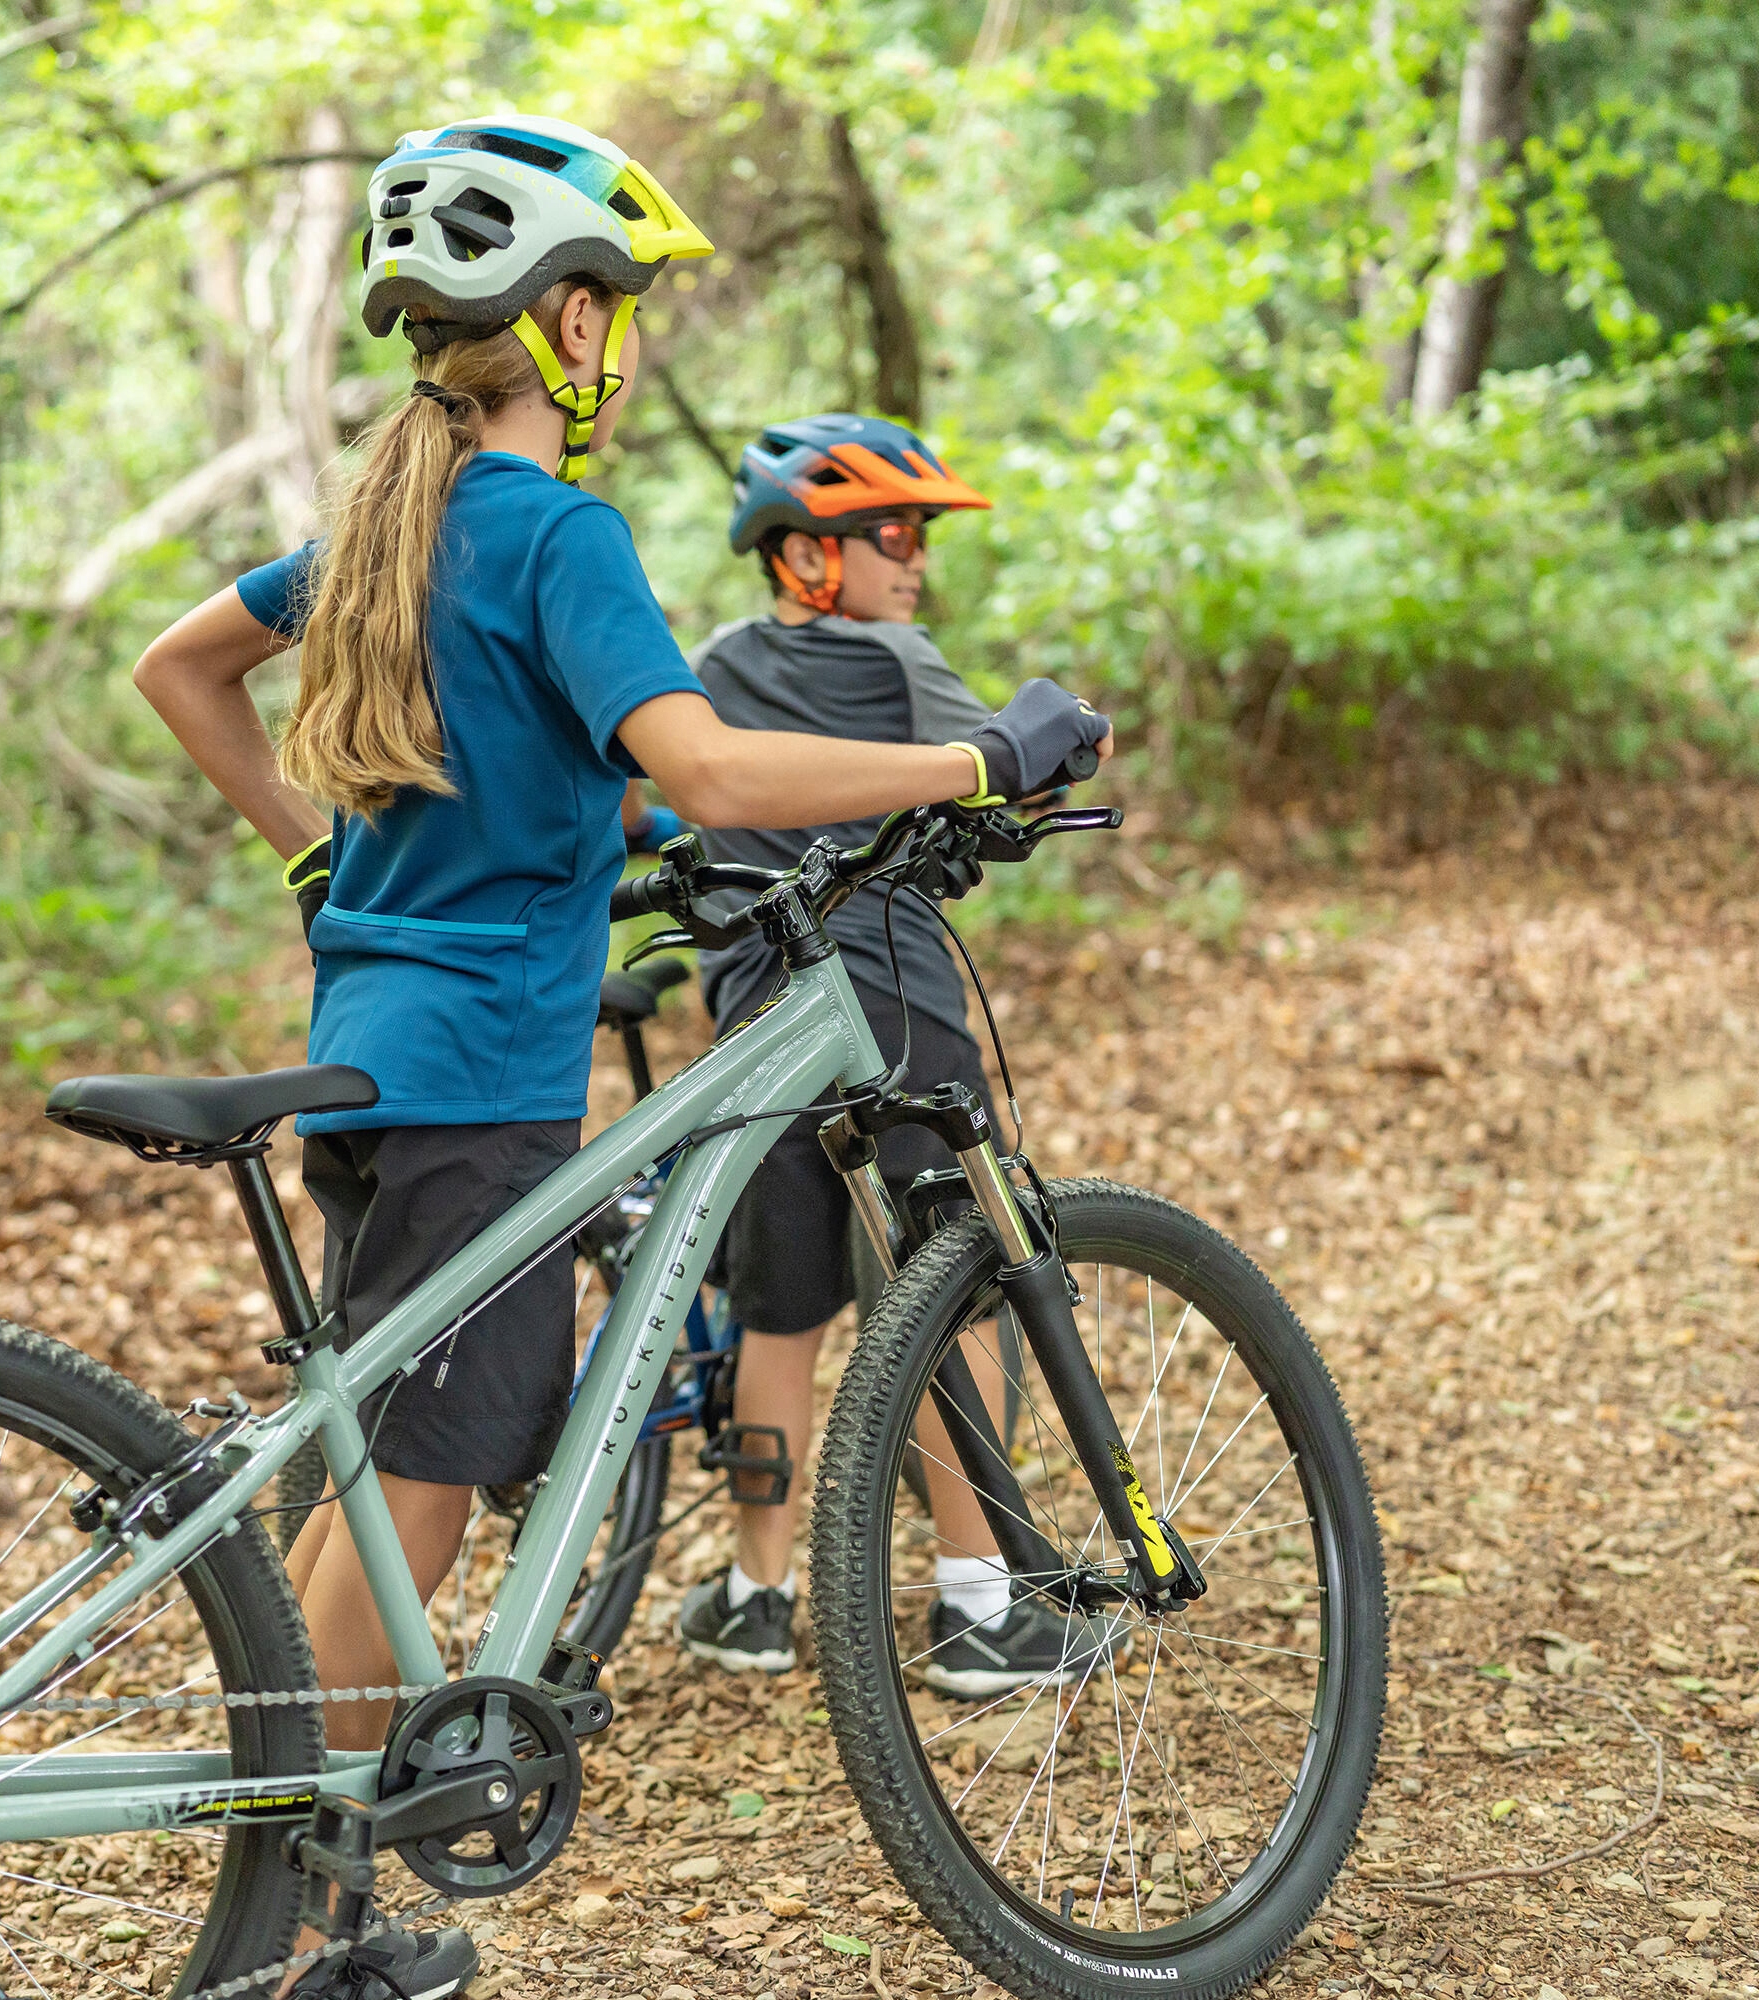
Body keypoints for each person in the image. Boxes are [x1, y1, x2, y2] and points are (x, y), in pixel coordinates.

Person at [133, 115, 1109, 1998]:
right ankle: (299, 1918)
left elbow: (187, 669)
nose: (637, 340)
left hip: (374, 1041)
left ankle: (316, 1881)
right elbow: (717, 764)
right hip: (484, 1069)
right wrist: (978, 764)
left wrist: (315, 854)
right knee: (421, 1477)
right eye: (629, 308)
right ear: (568, 325)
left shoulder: (383, 523)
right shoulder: (553, 527)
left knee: (391, 1463)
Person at [677, 415, 1112, 1693]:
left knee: (779, 1308)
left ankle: (757, 1597)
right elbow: (1000, 775)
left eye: (916, 536)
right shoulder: (898, 663)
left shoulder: (703, 670)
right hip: (897, 1012)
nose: (911, 558)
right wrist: (1068, 736)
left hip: (759, 1031)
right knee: (950, 1293)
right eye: (886, 532)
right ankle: (976, 1604)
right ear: (806, 554)